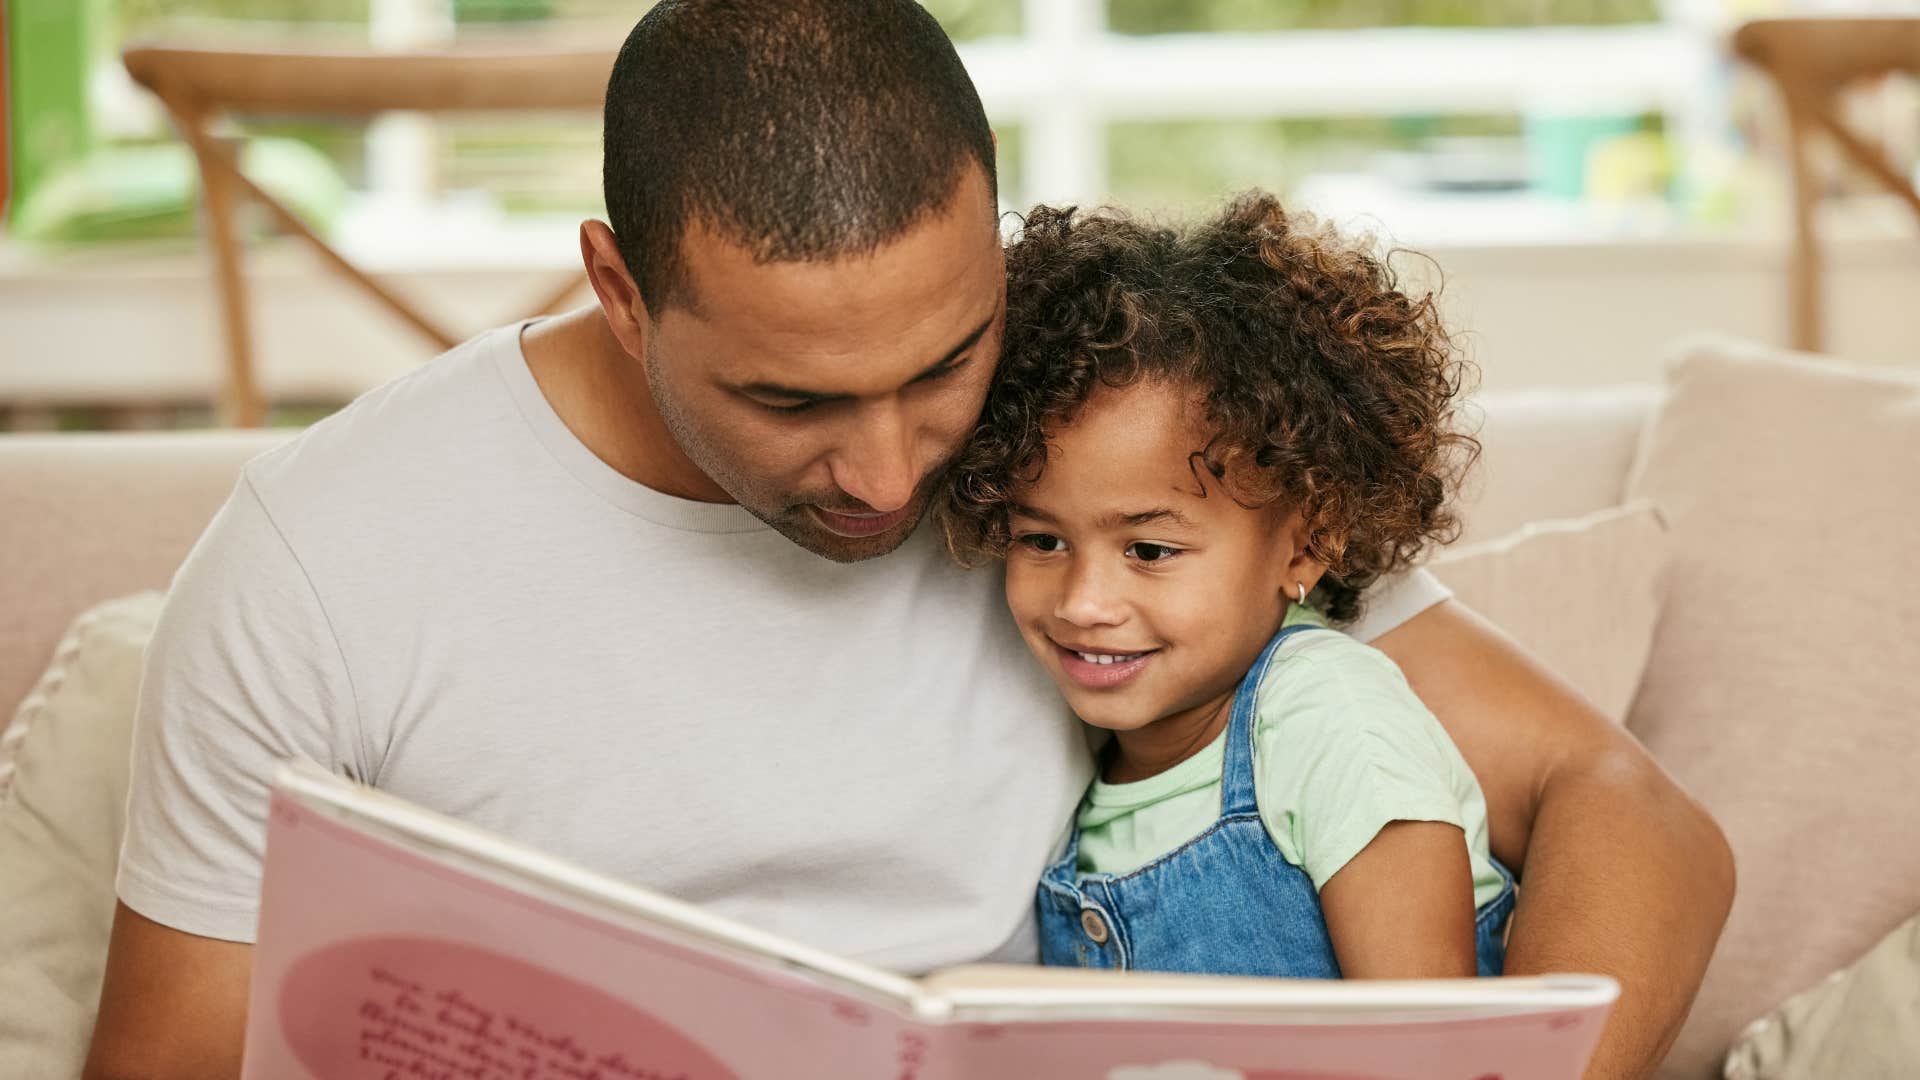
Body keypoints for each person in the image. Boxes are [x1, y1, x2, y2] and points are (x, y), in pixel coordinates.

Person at [84, 3, 1731, 1078]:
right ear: (618, 287)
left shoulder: (1089, 454)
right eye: (793, 399)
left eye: (944, 362)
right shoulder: (329, 559)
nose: (890, 473)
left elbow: (1629, 814)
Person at [941, 195, 1509, 978]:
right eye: (1042, 540)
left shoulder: (1333, 723)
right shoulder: (1082, 776)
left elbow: (1425, 1044)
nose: (1082, 603)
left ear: (1306, 544)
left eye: (1148, 548)